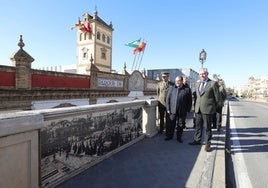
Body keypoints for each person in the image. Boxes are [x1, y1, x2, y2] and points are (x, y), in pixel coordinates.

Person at [189, 68, 222, 152]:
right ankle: (197, 140)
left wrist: (215, 109)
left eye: (203, 74)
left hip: (208, 109)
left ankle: (208, 144)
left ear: (207, 74)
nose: (202, 75)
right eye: (200, 74)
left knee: (207, 128)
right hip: (198, 109)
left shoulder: (212, 83)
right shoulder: (197, 84)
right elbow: (197, 96)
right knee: (198, 126)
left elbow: (217, 98)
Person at [165, 76, 192, 142]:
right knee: (171, 124)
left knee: (180, 124)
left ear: (182, 81)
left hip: (182, 111)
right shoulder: (172, 88)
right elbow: (167, 99)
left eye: (179, 80)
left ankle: (179, 137)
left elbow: (190, 101)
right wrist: (168, 108)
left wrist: (188, 110)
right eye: (176, 80)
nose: (177, 82)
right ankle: (169, 136)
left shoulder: (187, 89)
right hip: (172, 110)